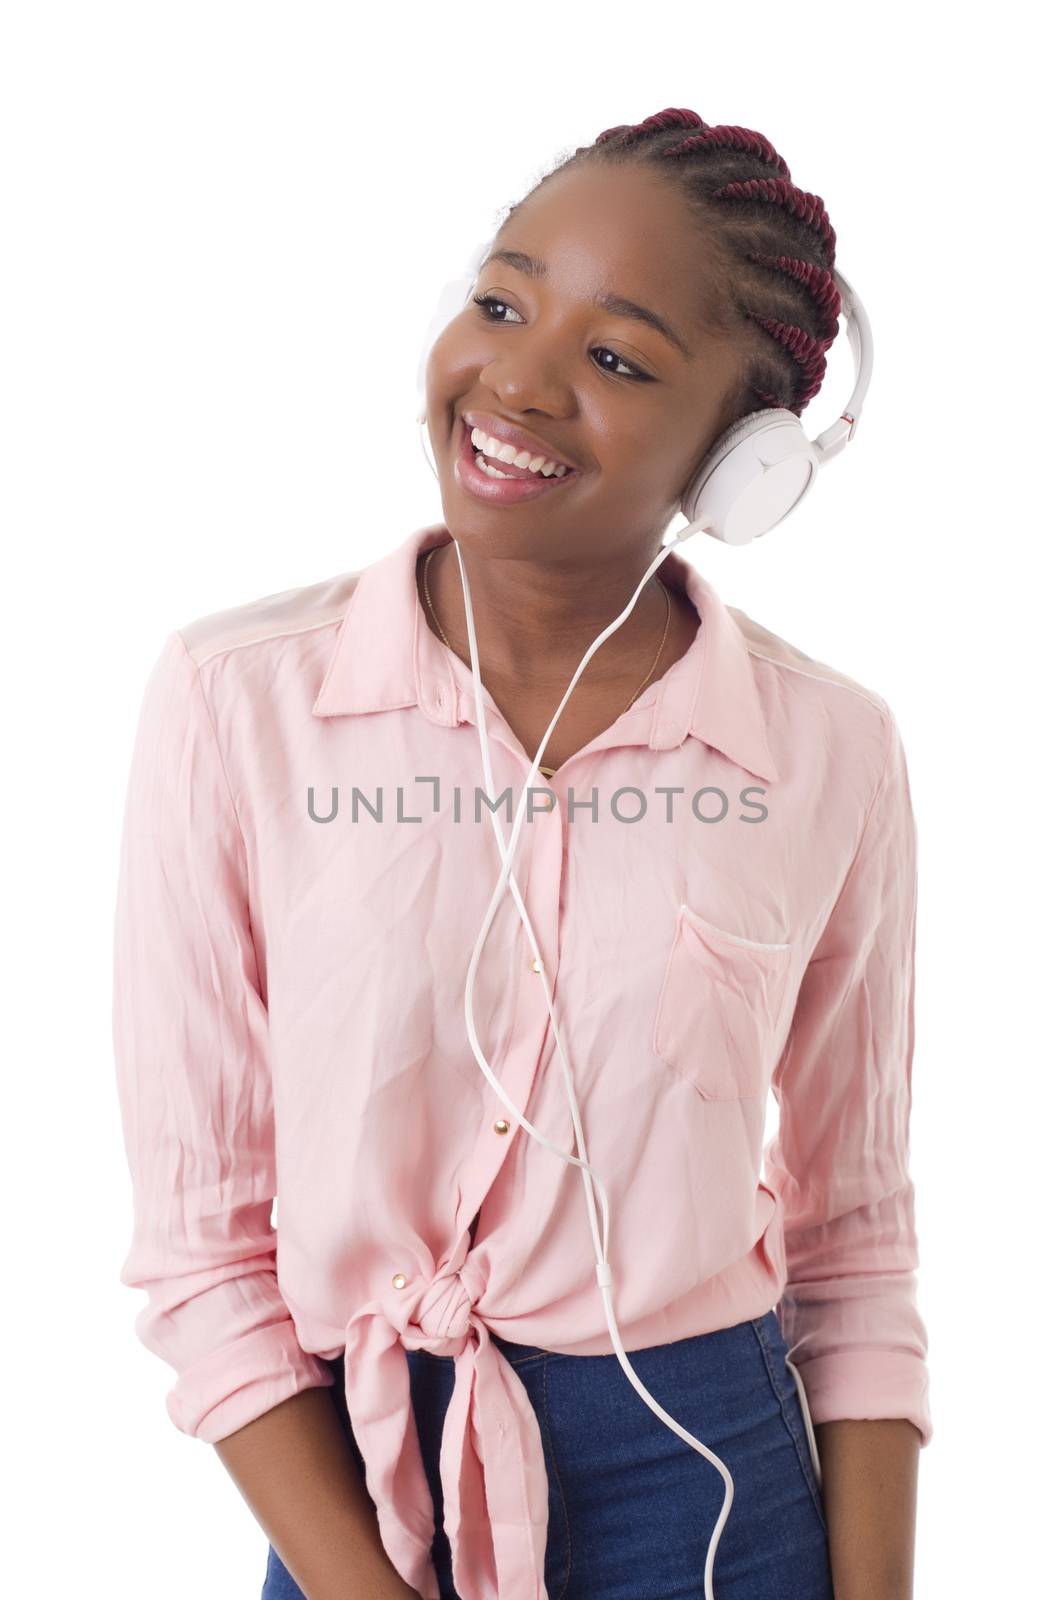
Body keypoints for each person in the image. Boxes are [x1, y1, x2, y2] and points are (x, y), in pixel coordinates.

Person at [112, 109, 932, 1600]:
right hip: (363, 1496)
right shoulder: (237, 704)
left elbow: (858, 1248)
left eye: (617, 359)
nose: (516, 379)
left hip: (714, 1485)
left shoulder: (832, 755)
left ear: (743, 464)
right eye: (500, 302)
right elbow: (201, 1252)